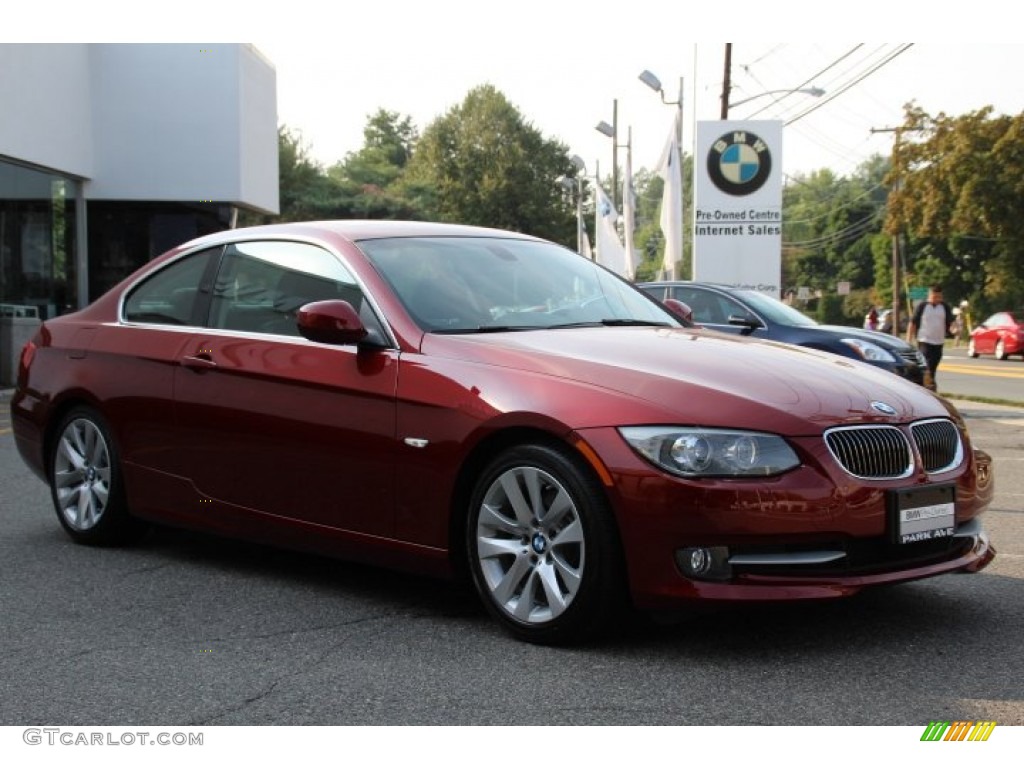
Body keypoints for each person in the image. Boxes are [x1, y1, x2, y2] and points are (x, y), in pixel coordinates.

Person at [907, 284, 955, 391]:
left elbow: (951, 322)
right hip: (924, 340)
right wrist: (909, 339)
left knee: (933, 367)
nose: (937, 299)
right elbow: (913, 323)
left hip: (938, 342)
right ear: (930, 295)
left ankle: (926, 387)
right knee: (926, 366)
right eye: (935, 297)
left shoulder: (944, 307)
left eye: (939, 297)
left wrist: (954, 329)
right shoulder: (922, 306)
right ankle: (930, 388)